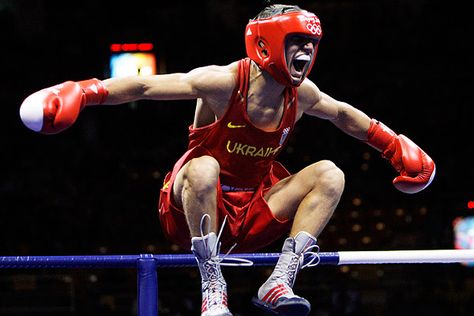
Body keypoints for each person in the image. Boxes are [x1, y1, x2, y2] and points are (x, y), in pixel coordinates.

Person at [19, 3, 435, 316]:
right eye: (297, 42)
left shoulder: (301, 95)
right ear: (268, 43)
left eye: (311, 43)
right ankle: (211, 285)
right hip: (193, 207)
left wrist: (391, 144)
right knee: (204, 166)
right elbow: (145, 89)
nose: (306, 51)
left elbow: (344, 114)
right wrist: (84, 91)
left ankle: (279, 280)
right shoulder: (222, 82)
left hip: (251, 212)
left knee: (330, 173)